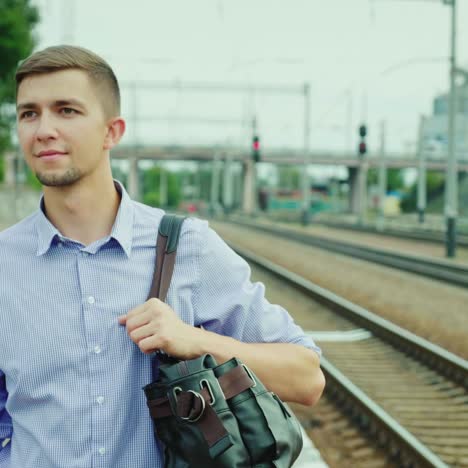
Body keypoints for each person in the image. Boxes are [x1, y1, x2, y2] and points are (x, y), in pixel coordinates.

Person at [0, 45, 325, 468]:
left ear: (112, 132)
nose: (43, 129)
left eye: (66, 110)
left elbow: (307, 377)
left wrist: (195, 341)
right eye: (29, 113)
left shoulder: (186, 246)